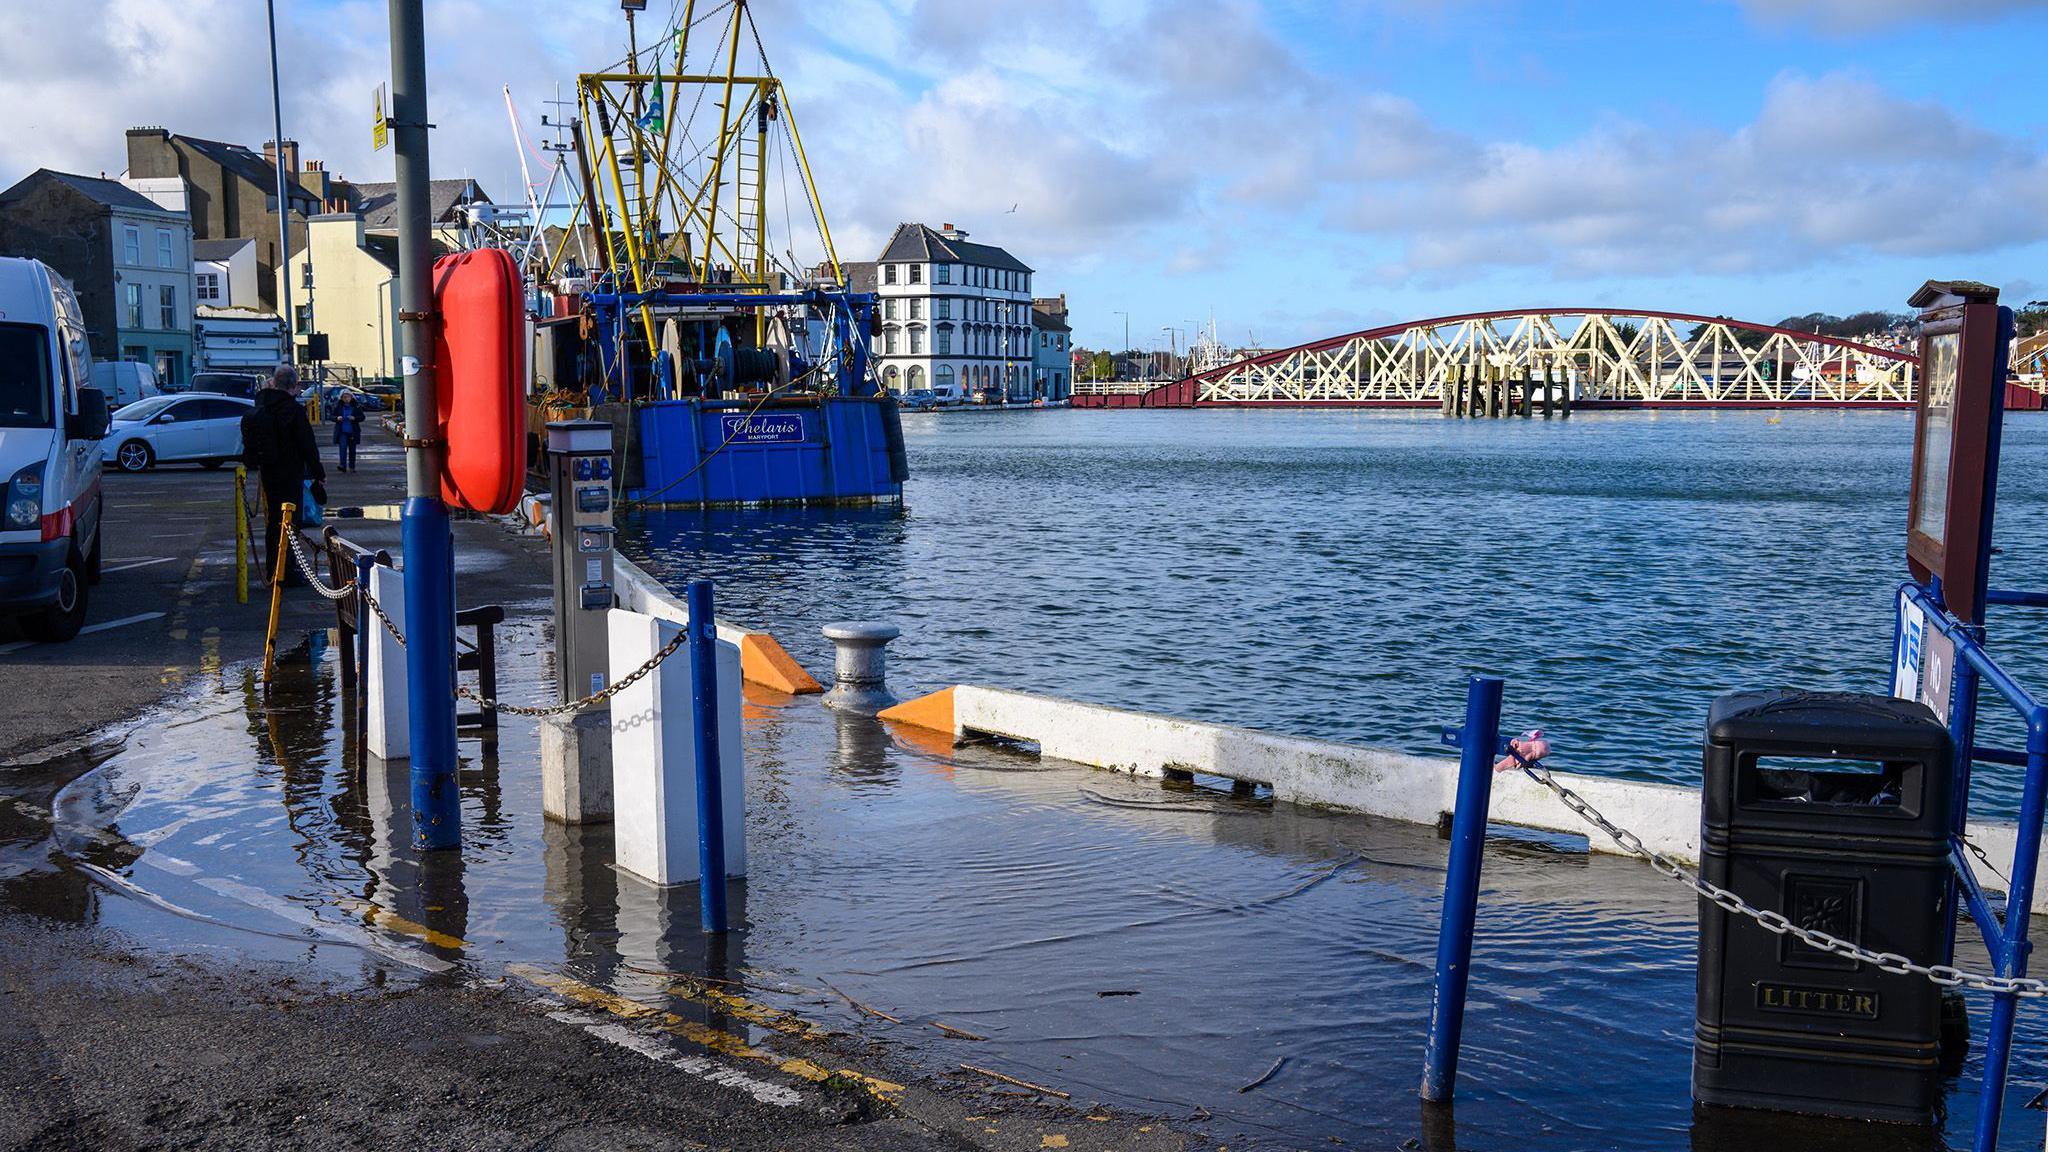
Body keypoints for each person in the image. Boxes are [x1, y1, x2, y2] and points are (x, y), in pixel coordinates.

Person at [241, 365, 327, 587]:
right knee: (291, 523)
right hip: (290, 473)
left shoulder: (262, 405)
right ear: (293, 385)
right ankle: (287, 570)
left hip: (268, 472)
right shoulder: (293, 410)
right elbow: (308, 444)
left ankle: (273, 569)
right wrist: (318, 473)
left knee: (274, 524)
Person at [332, 391, 363, 473]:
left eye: (348, 397)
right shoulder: (338, 406)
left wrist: (354, 418)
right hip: (342, 431)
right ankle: (342, 465)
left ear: (351, 397)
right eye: (344, 397)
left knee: (352, 450)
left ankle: (352, 467)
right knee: (342, 448)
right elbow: (331, 416)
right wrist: (337, 418)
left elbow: (362, 417)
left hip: (353, 431)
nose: (346, 399)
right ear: (341, 398)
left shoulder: (356, 406)